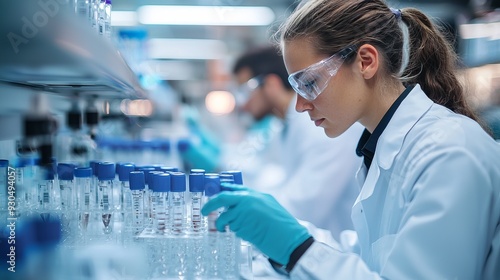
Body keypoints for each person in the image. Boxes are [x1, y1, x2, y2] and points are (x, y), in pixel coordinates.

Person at [201, 0, 500, 279]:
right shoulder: (384, 149)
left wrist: (298, 250)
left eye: (309, 83)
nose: (300, 105)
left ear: (366, 61)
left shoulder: (449, 152)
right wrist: (284, 234)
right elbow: (370, 257)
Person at [227, 45, 364, 238]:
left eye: (244, 92)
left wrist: (246, 216)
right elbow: (277, 182)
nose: (242, 104)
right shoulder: (284, 126)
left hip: (336, 248)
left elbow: (304, 206)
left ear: (271, 84)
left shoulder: (321, 126)